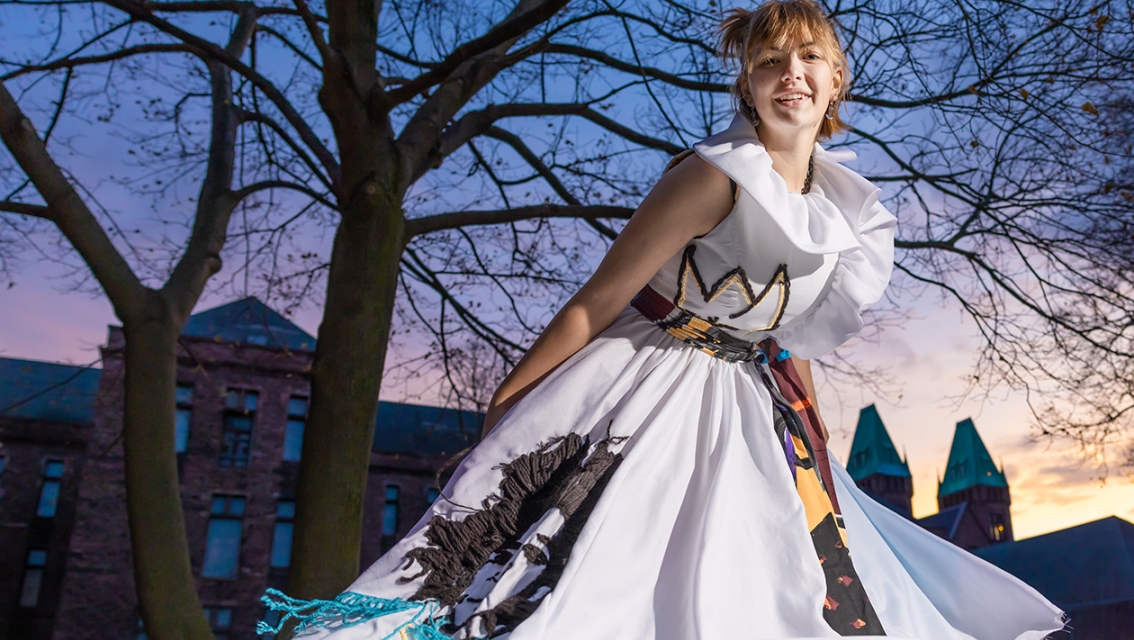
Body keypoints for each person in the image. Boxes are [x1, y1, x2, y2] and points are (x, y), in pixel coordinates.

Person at [261, 1, 1064, 638]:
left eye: (809, 57)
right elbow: (597, 300)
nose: (792, 75)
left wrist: (817, 440)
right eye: (770, 61)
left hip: (758, 403)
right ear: (746, 83)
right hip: (654, 382)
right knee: (615, 569)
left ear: (837, 78)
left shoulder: (846, 208)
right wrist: (512, 406)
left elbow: (793, 336)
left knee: (778, 582)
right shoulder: (712, 176)